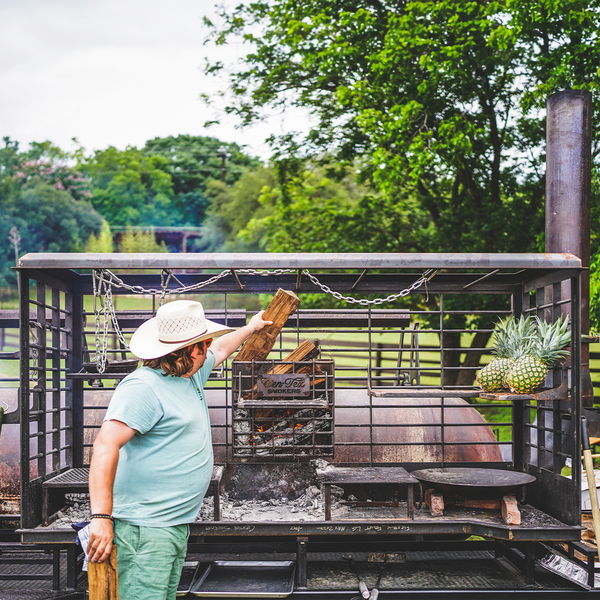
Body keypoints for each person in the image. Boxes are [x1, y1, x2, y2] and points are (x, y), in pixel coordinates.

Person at [86, 299, 272, 600]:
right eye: (204, 343)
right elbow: (105, 446)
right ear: (190, 350)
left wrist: (251, 327)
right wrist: (101, 518)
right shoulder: (142, 388)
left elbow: (222, 349)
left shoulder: (190, 375)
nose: (209, 347)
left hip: (172, 524)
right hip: (144, 529)